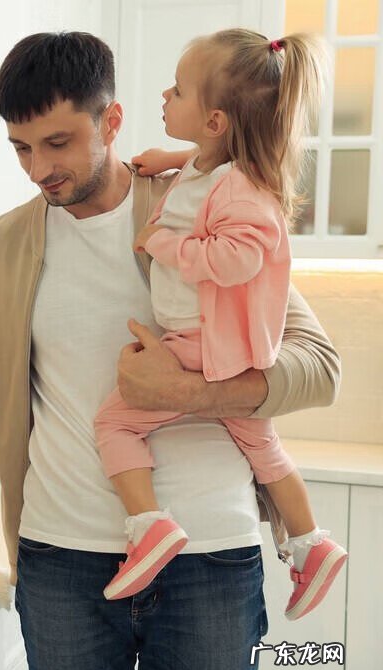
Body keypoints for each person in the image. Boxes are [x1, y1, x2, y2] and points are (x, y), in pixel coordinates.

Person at [0, 31, 340, 670]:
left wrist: (188, 392)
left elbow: (316, 364)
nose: (38, 169)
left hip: (209, 556)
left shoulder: (197, 204)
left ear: (110, 121)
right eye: (22, 148)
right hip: (61, 562)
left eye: (58, 143)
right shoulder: (1, 255)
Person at [93, 29, 347, 622]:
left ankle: (149, 526)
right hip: (215, 344)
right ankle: (311, 543)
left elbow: (237, 258)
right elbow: (210, 168)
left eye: (177, 90)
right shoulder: (214, 164)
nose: (165, 93)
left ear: (213, 120)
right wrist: (170, 159)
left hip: (203, 346)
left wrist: (165, 242)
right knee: (260, 443)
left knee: (115, 423)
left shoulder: (246, 192)